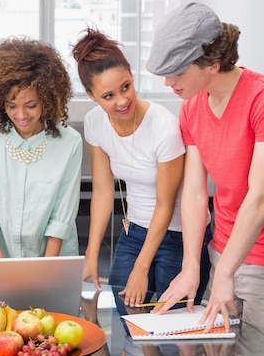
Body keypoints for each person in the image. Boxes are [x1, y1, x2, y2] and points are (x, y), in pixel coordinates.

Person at [146, 2, 264, 356]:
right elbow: (193, 192)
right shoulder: (191, 106)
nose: (168, 83)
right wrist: (193, 267)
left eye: (175, 72)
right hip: (222, 249)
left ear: (213, 64)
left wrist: (226, 272)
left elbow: (261, 197)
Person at [71, 27, 211, 308]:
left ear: (132, 77)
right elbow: (101, 191)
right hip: (133, 231)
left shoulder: (163, 126)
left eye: (126, 87)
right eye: (108, 96)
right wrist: (91, 255)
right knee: (126, 315)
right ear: (91, 95)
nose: (122, 101)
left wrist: (141, 267)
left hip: (178, 234)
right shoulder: (95, 122)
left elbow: (165, 204)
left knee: (171, 326)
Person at [0, 37, 82, 258]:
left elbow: (62, 215)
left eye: (31, 105)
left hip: (52, 257)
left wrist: (45, 270)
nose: (21, 115)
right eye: (11, 106)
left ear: (48, 99)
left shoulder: (70, 142)